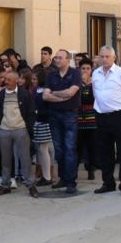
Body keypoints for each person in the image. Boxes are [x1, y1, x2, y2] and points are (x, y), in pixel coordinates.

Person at [91, 45, 121, 196]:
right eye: (102, 56)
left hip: (119, 116)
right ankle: (108, 183)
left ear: (114, 58)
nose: (104, 59)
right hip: (101, 116)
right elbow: (95, 93)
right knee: (105, 152)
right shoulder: (95, 73)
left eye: (107, 57)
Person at [0, 71, 39, 198]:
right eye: (5, 79)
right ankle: (5, 185)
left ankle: (31, 185)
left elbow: (31, 112)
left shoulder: (24, 94)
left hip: (21, 130)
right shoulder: (1, 94)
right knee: (5, 159)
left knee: (25, 159)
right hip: (4, 130)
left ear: (16, 81)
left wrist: (27, 127)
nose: (5, 82)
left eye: (9, 80)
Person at [43, 49, 81, 194]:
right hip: (54, 115)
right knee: (58, 149)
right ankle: (63, 178)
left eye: (60, 58)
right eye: (56, 58)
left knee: (69, 148)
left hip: (70, 115)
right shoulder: (51, 75)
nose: (57, 60)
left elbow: (71, 92)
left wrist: (54, 93)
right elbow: (45, 96)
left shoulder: (75, 73)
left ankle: (71, 181)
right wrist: (63, 97)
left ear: (67, 59)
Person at [31, 70, 55, 186]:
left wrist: (36, 112)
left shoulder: (45, 92)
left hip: (44, 123)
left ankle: (47, 176)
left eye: (35, 79)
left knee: (43, 149)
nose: (33, 81)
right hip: (39, 122)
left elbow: (47, 109)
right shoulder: (37, 91)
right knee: (42, 150)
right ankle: (46, 175)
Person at [76, 58, 97, 181]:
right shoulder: (76, 84)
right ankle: (74, 171)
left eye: (88, 68)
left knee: (92, 147)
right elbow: (77, 100)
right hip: (78, 120)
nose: (85, 71)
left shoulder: (95, 83)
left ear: (91, 69)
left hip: (92, 120)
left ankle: (91, 170)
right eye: (83, 68)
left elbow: (93, 99)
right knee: (77, 147)